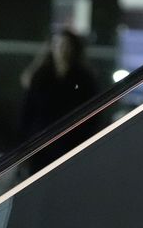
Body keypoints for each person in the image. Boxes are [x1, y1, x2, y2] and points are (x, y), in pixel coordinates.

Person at [18, 29, 102, 176]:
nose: (61, 49)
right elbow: (28, 111)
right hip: (41, 145)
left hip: (72, 144)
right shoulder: (41, 76)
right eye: (57, 44)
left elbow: (92, 115)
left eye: (66, 45)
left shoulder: (84, 78)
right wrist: (24, 146)